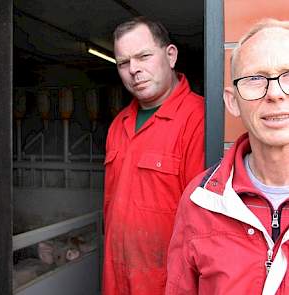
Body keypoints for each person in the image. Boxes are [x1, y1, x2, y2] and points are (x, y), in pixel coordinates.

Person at [166, 18, 289, 294]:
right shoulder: (200, 202)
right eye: (255, 79)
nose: (276, 93)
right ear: (232, 101)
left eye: (288, 75)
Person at [103, 16, 205, 294]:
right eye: (123, 63)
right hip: (116, 278)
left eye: (144, 56)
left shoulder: (198, 119)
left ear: (170, 56)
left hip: (165, 283)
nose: (133, 70)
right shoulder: (118, 124)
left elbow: (203, 226)